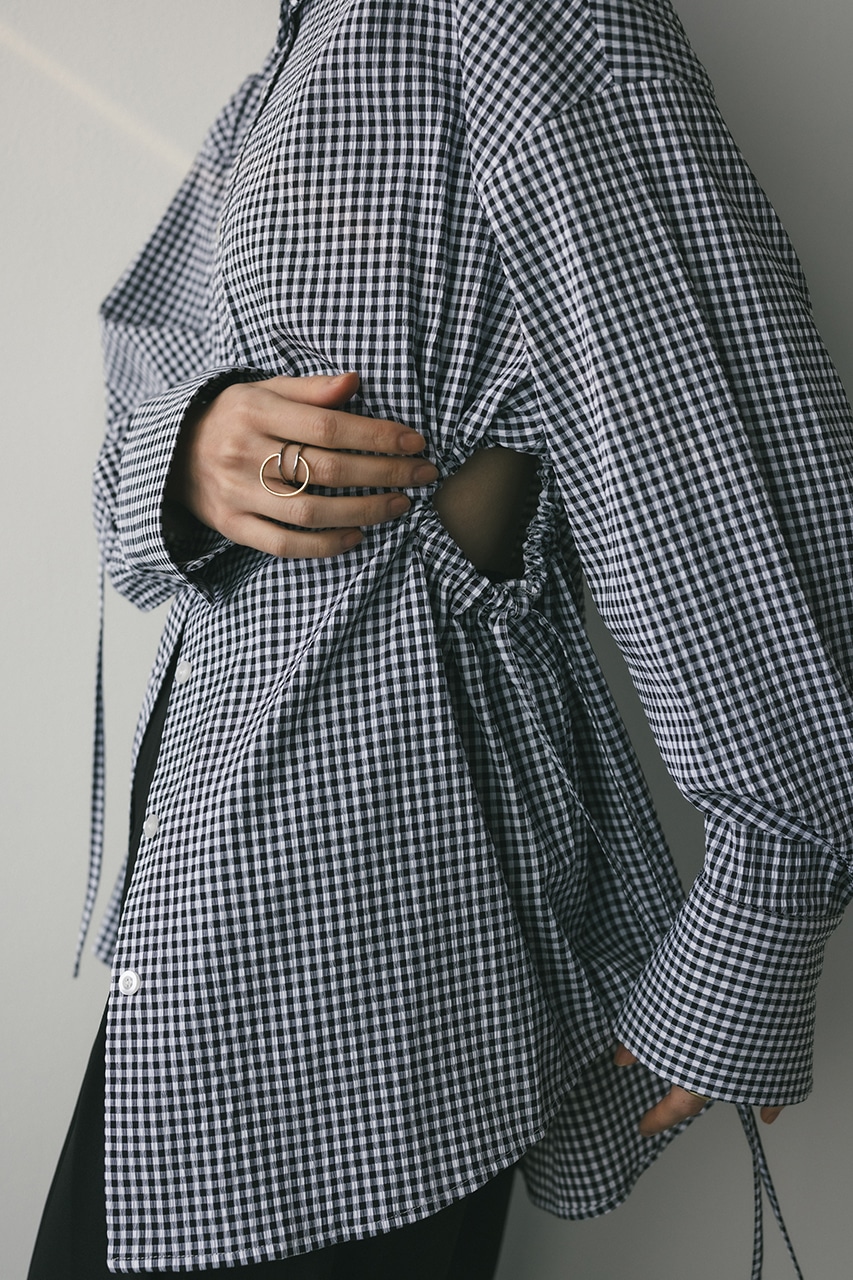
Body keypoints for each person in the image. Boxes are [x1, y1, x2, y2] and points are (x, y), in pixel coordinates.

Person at [28, 0, 853, 1275]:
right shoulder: (301, 52)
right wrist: (190, 451)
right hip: (197, 918)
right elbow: (135, 418)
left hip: (360, 928)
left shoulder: (519, 19)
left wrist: (758, 913)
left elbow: (731, 467)